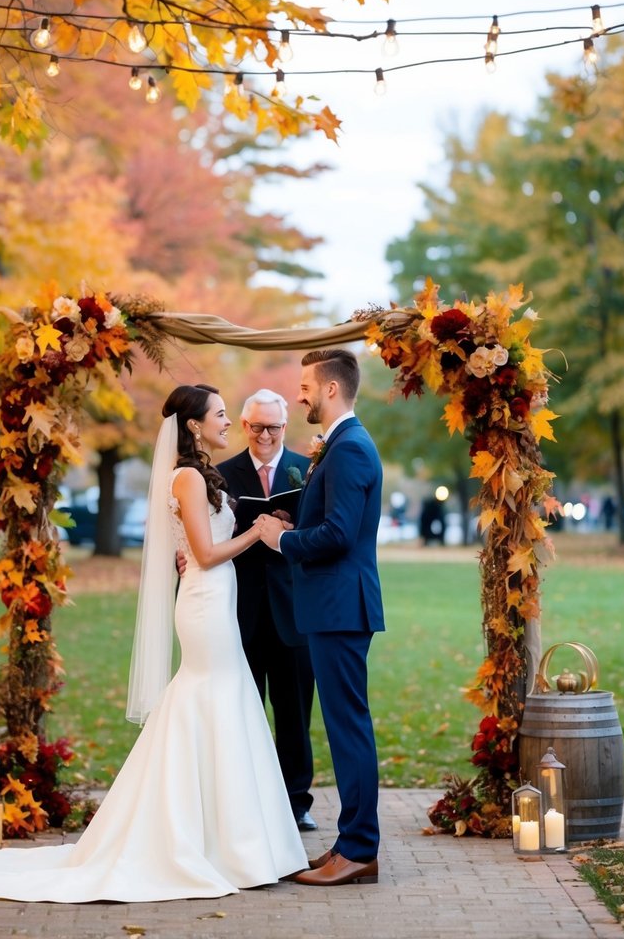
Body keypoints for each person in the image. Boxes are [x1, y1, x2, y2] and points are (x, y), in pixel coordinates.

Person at [0, 385, 307, 903]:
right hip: (204, 604)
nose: (227, 423)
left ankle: (230, 836)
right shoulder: (188, 476)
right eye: (221, 415)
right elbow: (204, 552)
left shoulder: (200, 475)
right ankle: (216, 840)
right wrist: (258, 531)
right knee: (214, 698)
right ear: (194, 425)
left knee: (224, 701)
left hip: (216, 601)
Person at [257, 348, 384, 888]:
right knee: (343, 726)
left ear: (331, 389)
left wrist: (280, 538)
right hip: (331, 607)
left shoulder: (351, 448)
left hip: (339, 608)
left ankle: (358, 850)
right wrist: (295, 514)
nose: (300, 393)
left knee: (348, 729)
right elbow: (330, 519)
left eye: (306, 385)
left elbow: (338, 536)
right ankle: (348, 844)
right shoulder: (339, 447)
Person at [216, 388, 316, 832]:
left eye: (273, 427)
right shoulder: (220, 474)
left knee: (294, 712)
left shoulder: (308, 470)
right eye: (256, 427)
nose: (265, 435)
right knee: (245, 710)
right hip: (242, 608)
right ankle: (249, 797)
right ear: (244, 426)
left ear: (284, 426)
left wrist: (293, 529)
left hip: (294, 607)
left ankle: (297, 802)